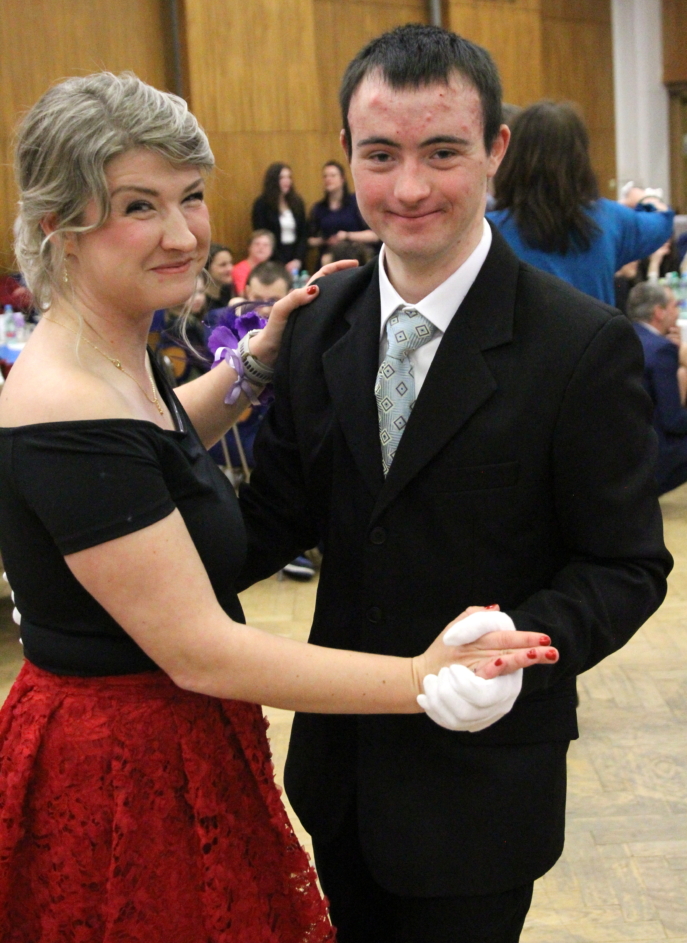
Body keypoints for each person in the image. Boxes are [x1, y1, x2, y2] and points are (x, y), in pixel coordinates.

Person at [0, 70, 553, 942]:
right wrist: (421, 680)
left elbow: (153, 443)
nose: (182, 233)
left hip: (177, 744)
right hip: (124, 777)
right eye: (138, 206)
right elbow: (201, 650)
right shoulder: (66, 401)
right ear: (56, 228)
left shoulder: (110, 348)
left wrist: (253, 366)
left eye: (190, 197)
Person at [237, 24, 672, 943]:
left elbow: (625, 564)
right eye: (379, 155)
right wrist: (116, 543)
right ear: (346, 151)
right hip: (339, 773)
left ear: (494, 150)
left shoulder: (579, 347)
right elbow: (269, 516)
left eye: (441, 152)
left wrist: (522, 647)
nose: (409, 189)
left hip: (482, 790)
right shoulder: (322, 323)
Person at [488, 101, 674, 305]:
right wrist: (642, 197)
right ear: (581, 158)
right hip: (595, 327)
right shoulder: (610, 220)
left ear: (512, 158)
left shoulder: (488, 231)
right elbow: (663, 220)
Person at [628, 280, 687, 494]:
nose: (677, 311)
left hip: (629, 452)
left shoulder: (625, 338)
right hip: (661, 458)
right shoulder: (662, 351)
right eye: (674, 305)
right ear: (659, 312)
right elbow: (675, 421)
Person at [308, 160, 378, 266]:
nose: (328, 179)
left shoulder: (355, 203)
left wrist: (347, 235)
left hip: (356, 257)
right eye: (325, 176)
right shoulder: (319, 208)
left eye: (332, 175)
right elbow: (309, 240)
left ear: (342, 179)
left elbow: (374, 235)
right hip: (328, 259)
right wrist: (324, 241)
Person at [252, 162, 308, 271]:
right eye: (282, 177)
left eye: (289, 177)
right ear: (273, 180)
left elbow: (303, 233)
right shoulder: (262, 204)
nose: (287, 181)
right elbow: (262, 234)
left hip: (295, 256)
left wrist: (298, 259)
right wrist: (280, 262)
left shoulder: (297, 202)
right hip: (273, 257)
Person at [231, 228, 276, 297]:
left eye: (266, 245)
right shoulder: (239, 269)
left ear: (271, 250)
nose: (261, 247)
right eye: (257, 244)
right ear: (249, 247)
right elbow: (243, 294)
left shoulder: (274, 269)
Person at [204, 241, 234, 310]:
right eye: (223, 265)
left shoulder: (228, 289)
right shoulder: (200, 300)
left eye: (231, 263)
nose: (230, 268)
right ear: (207, 268)